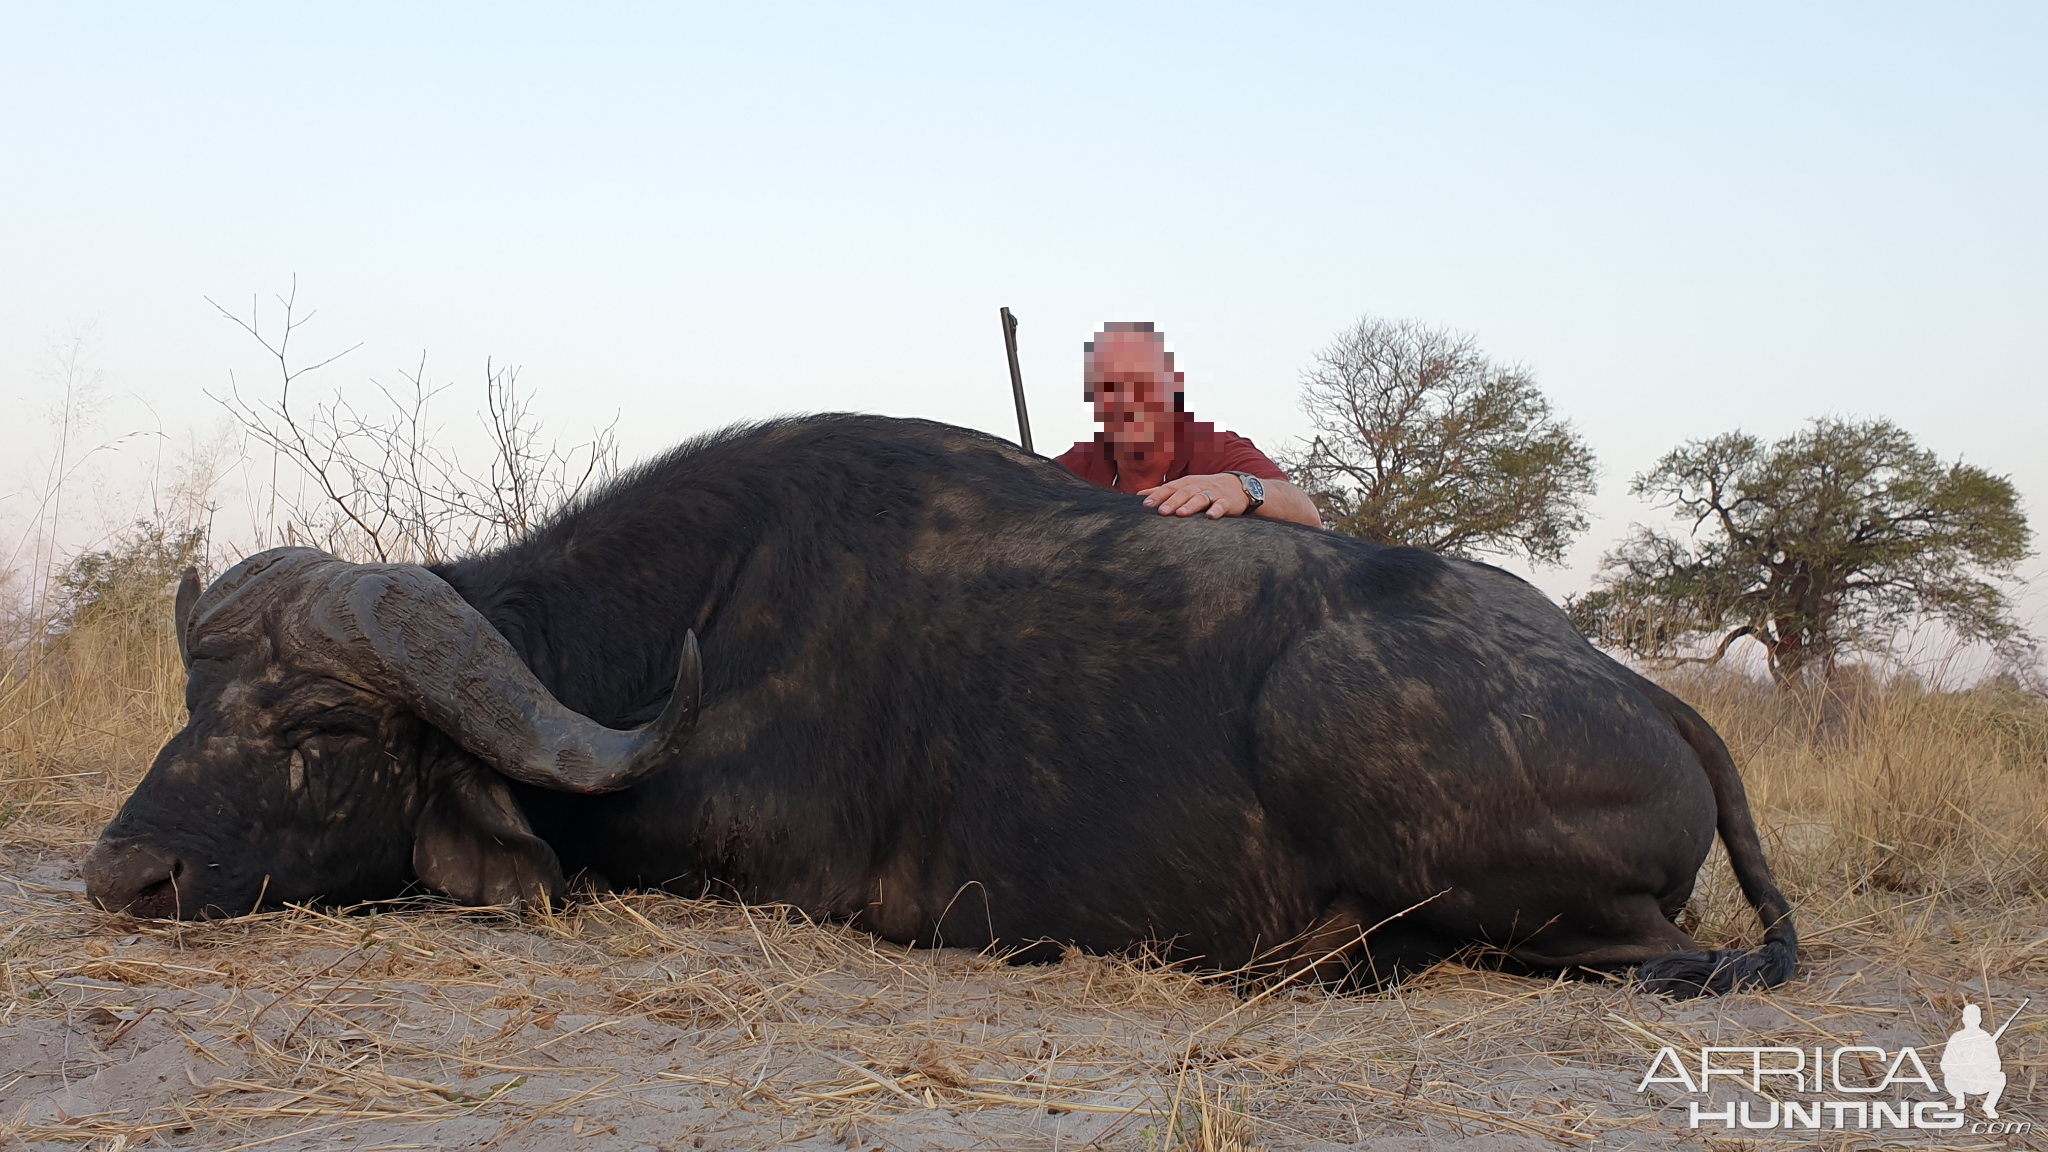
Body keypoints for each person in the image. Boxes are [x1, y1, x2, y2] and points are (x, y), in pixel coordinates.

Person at [1053, 322, 1323, 528]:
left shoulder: (1214, 447)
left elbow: (1307, 514)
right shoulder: (1074, 466)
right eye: (1110, 389)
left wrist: (1241, 489)